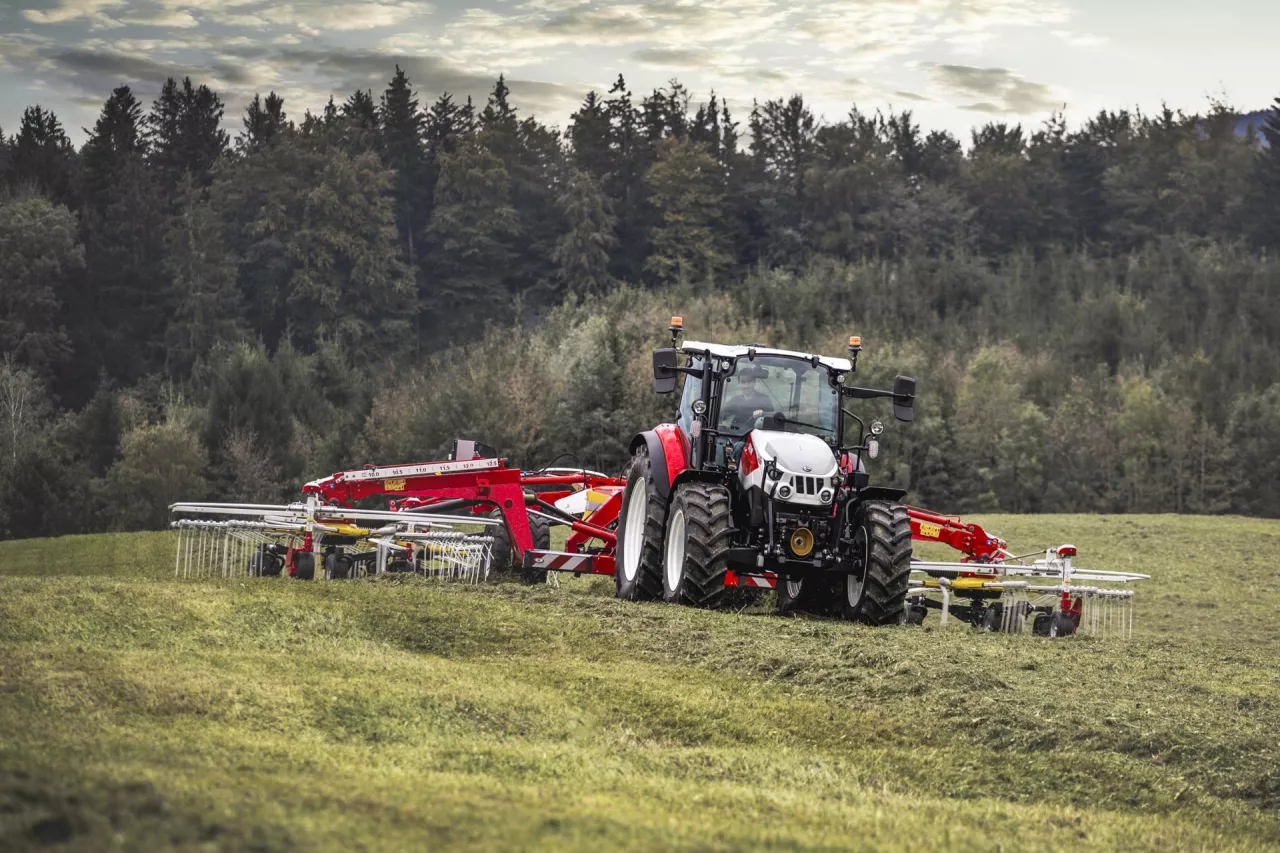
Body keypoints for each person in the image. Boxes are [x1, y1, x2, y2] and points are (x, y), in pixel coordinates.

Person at [721, 365, 774, 431]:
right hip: (738, 435)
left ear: (754, 382)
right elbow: (721, 416)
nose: (746, 385)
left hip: (758, 435)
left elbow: (772, 418)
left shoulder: (765, 399)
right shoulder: (734, 401)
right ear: (739, 383)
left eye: (749, 382)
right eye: (743, 382)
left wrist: (763, 413)